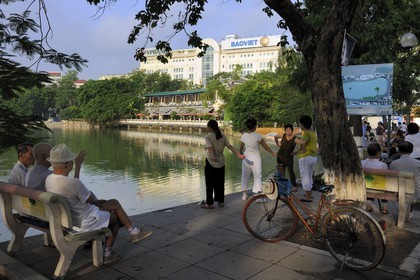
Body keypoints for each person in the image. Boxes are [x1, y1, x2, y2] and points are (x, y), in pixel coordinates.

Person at [45, 143, 152, 264]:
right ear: (68, 164)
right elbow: (89, 198)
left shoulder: (49, 179)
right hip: (85, 220)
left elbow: (72, 186)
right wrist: (97, 202)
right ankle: (110, 251)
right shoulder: (73, 183)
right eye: (71, 161)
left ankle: (134, 232)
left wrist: (78, 166)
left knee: (111, 204)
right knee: (115, 215)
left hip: (71, 219)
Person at [202, 120, 244, 209]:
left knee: (210, 183)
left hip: (211, 162)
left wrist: (213, 158)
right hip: (221, 162)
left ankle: (208, 203)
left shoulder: (208, 137)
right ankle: (221, 201)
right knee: (220, 182)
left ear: (210, 127)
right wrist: (238, 154)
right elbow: (229, 146)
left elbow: (209, 149)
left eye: (207, 126)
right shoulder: (222, 135)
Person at [240, 118, 276, 200]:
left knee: (245, 175)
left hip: (246, 158)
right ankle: (257, 195)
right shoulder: (257, 136)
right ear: (254, 126)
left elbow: (241, 147)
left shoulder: (244, 136)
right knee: (257, 176)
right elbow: (265, 147)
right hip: (255, 158)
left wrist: (240, 153)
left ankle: (244, 194)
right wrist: (272, 152)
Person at [295, 116, 318, 202]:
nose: (300, 125)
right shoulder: (312, 133)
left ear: (303, 124)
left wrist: (296, 140)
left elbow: (302, 142)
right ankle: (309, 194)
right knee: (309, 175)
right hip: (313, 157)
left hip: (306, 157)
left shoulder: (306, 133)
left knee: (305, 176)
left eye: (300, 124)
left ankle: (307, 197)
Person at [361, 142, 389, 214]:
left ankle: (369, 205)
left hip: (365, 188)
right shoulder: (383, 165)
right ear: (379, 153)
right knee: (384, 187)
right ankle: (384, 208)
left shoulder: (362, 163)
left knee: (370, 185)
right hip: (379, 189)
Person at [274, 124, 297, 190]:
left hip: (289, 158)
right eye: (286, 130)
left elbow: (301, 145)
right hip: (280, 156)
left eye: (289, 130)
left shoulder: (295, 138)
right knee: (281, 171)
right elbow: (275, 137)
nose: (288, 131)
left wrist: (295, 152)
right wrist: (277, 145)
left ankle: (294, 185)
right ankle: (281, 185)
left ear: (292, 130)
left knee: (290, 171)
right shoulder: (283, 135)